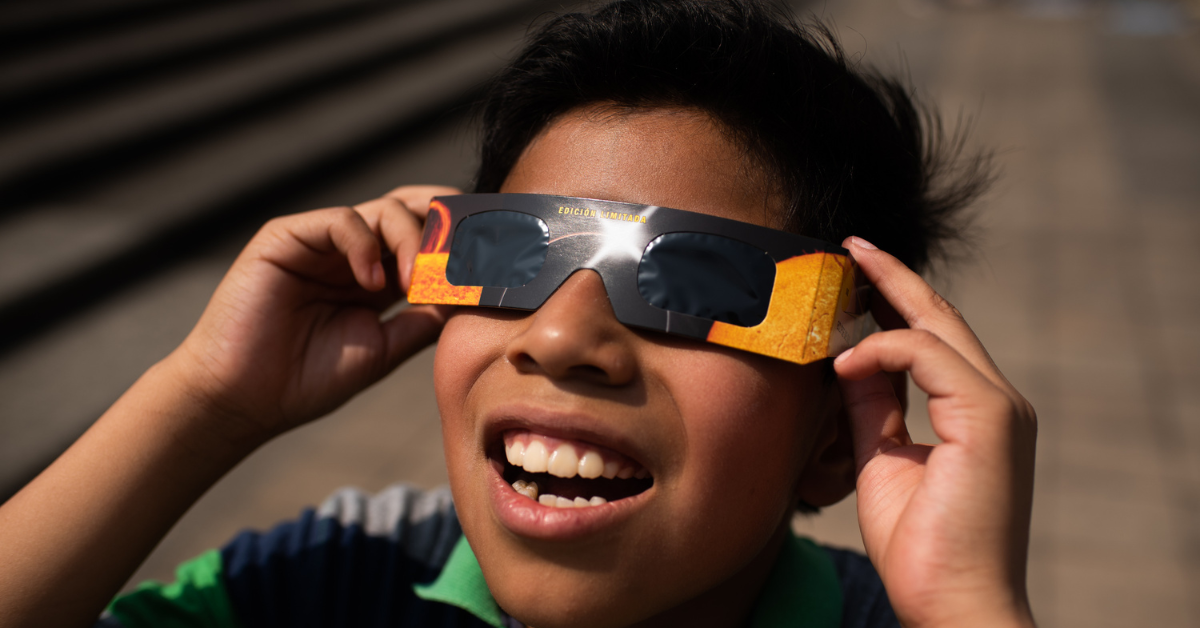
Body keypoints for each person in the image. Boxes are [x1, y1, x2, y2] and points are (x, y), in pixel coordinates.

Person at [0, 1, 1037, 627]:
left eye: (695, 284)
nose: (560, 337)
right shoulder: (346, 577)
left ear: (832, 433)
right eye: (509, 259)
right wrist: (203, 402)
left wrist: (964, 605)